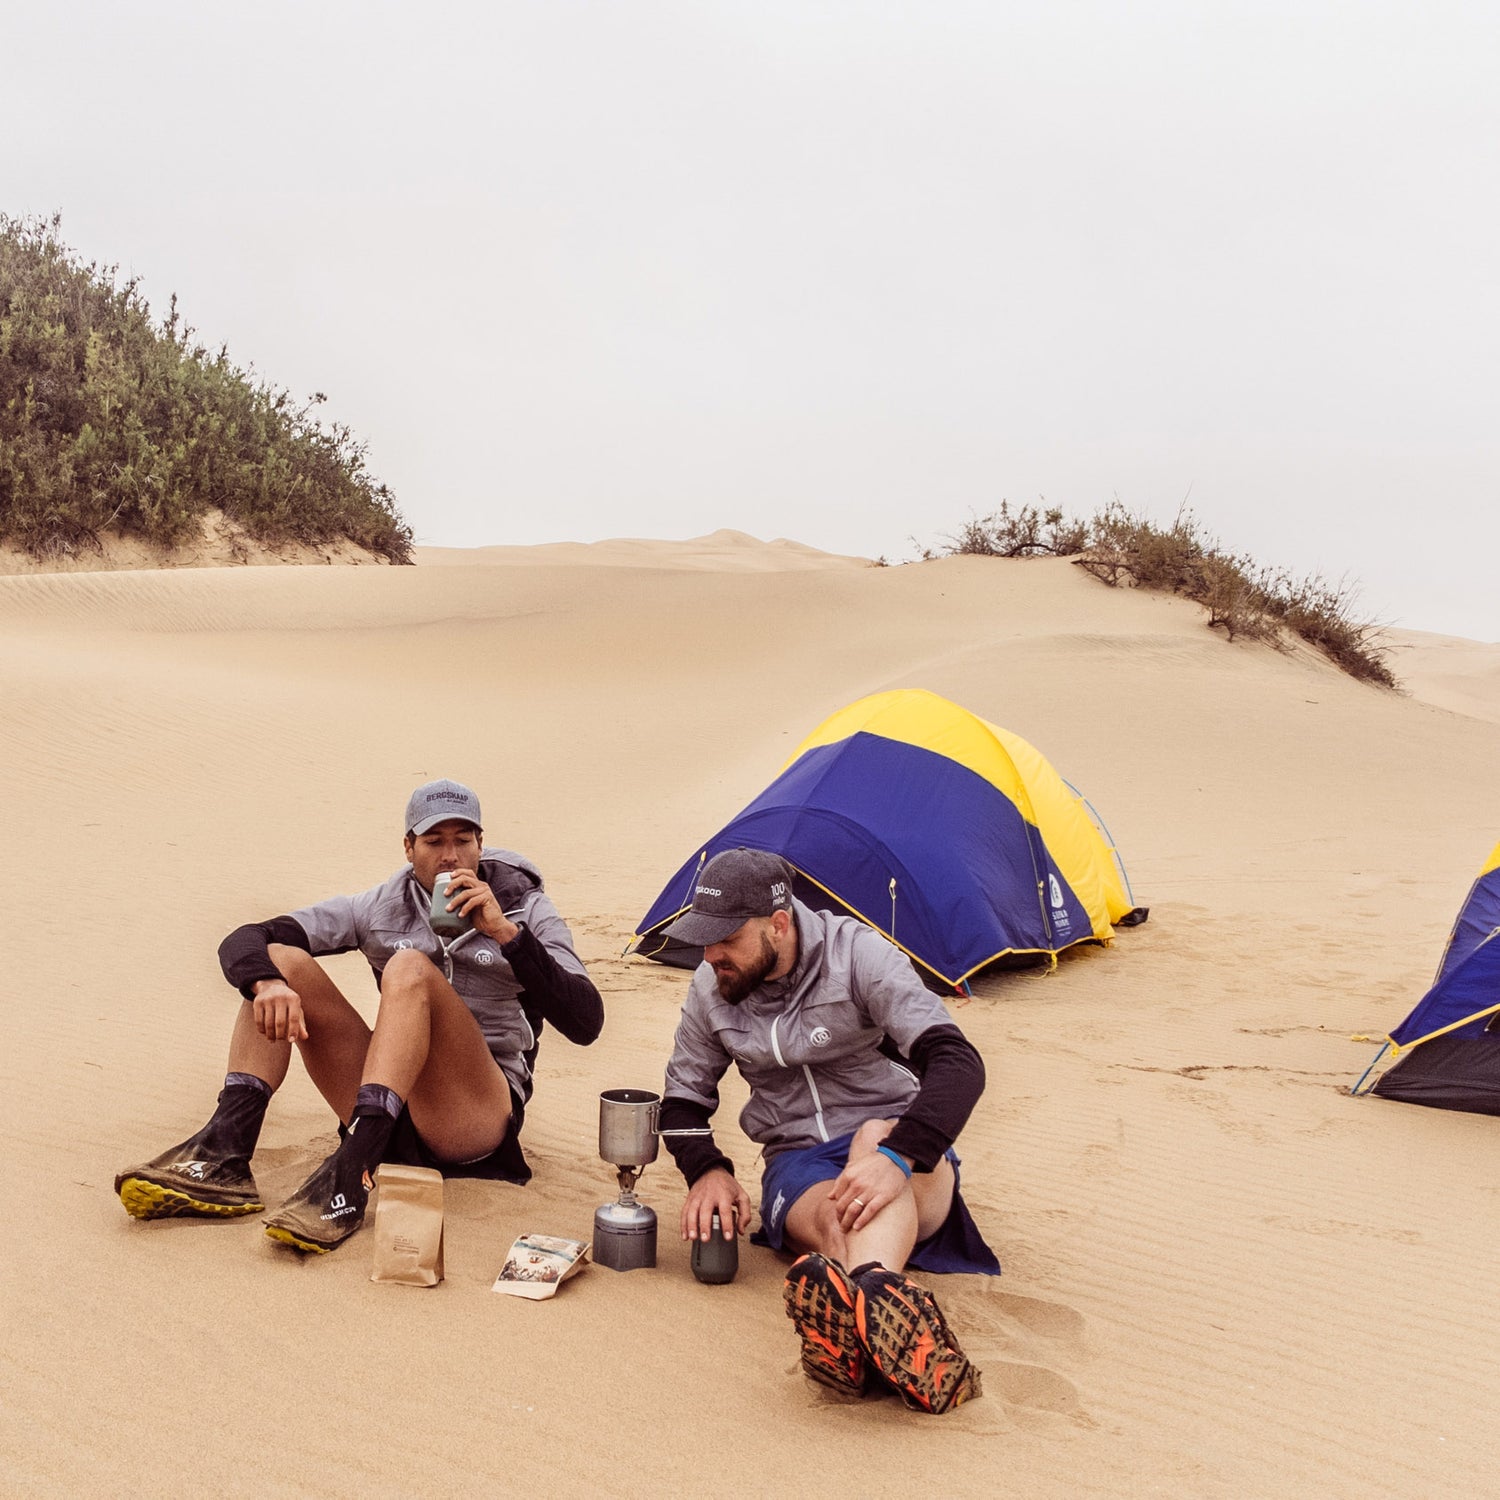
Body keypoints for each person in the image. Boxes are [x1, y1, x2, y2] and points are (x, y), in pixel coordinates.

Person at [115, 779, 604, 1253]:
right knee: (281, 960)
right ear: (409, 848)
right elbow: (249, 935)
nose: (449, 856)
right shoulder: (378, 907)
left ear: (481, 845)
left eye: (462, 840)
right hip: (387, 1103)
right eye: (434, 840)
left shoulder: (527, 910)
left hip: (473, 1117)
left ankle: (351, 1171)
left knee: (410, 966)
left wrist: (506, 935)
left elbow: (586, 1023)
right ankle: (226, 1151)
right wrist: (267, 983)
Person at [657, 847, 997, 1415]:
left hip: (903, 1150)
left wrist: (897, 1156)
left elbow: (959, 1064)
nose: (711, 954)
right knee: (831, 1222)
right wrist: (708, 1172)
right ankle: (887, 1318)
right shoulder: (709, 988)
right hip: (798, 1162)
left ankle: (854, 1333)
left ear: (779, 924)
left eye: (726, 939)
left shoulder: (858, 955)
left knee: (868, 1139)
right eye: (704, 938)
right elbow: (682, 1103)